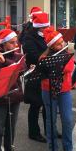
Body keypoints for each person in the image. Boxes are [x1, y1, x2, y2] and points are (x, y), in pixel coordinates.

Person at [40, 27, 76, 151]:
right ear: (52, 46)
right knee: (51, 120)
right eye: (59, 44)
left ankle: (68, 148)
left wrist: (57, 64)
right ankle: (53, 149)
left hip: (64, 90)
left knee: (67, 119)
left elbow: (68, 68)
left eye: (62, 42)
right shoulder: (44, 57)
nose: (63, 44)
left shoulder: (67, 54)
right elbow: (41, 73)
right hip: (48, 90)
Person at [22, 12, 49, 143]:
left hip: (47, 73)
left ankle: (49, 130)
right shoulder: (29, 38)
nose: (45, 30)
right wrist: (49, 48)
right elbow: (33, 57)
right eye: (43, 28)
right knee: (36, 104)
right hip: (35, 74)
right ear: (38, 27)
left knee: (47, 104)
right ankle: (34, 132)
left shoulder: (46, 36)